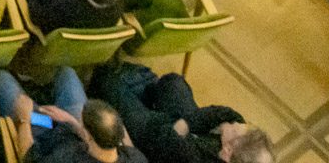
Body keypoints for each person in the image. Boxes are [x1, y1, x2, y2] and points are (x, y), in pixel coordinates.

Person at [91, 63, 273, 163]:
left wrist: (183, 126)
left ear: (226, 152)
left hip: (153, 138)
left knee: (106, 81)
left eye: (238, 131)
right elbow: (226, 114)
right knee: (174, 82)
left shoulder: (192, 158)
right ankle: (145, 92)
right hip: (182, 128)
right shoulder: (237, 142)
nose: (237, 124)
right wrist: (186, 124)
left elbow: (163, 137)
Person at [0, 64, 147, 163]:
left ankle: (32, 102)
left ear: (89, 135)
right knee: (67, 73)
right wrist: (72, 122)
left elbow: (27, 156)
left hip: (42, 134)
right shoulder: (136, 159)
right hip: (67, 128)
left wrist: (24, 119)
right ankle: (40, 96)